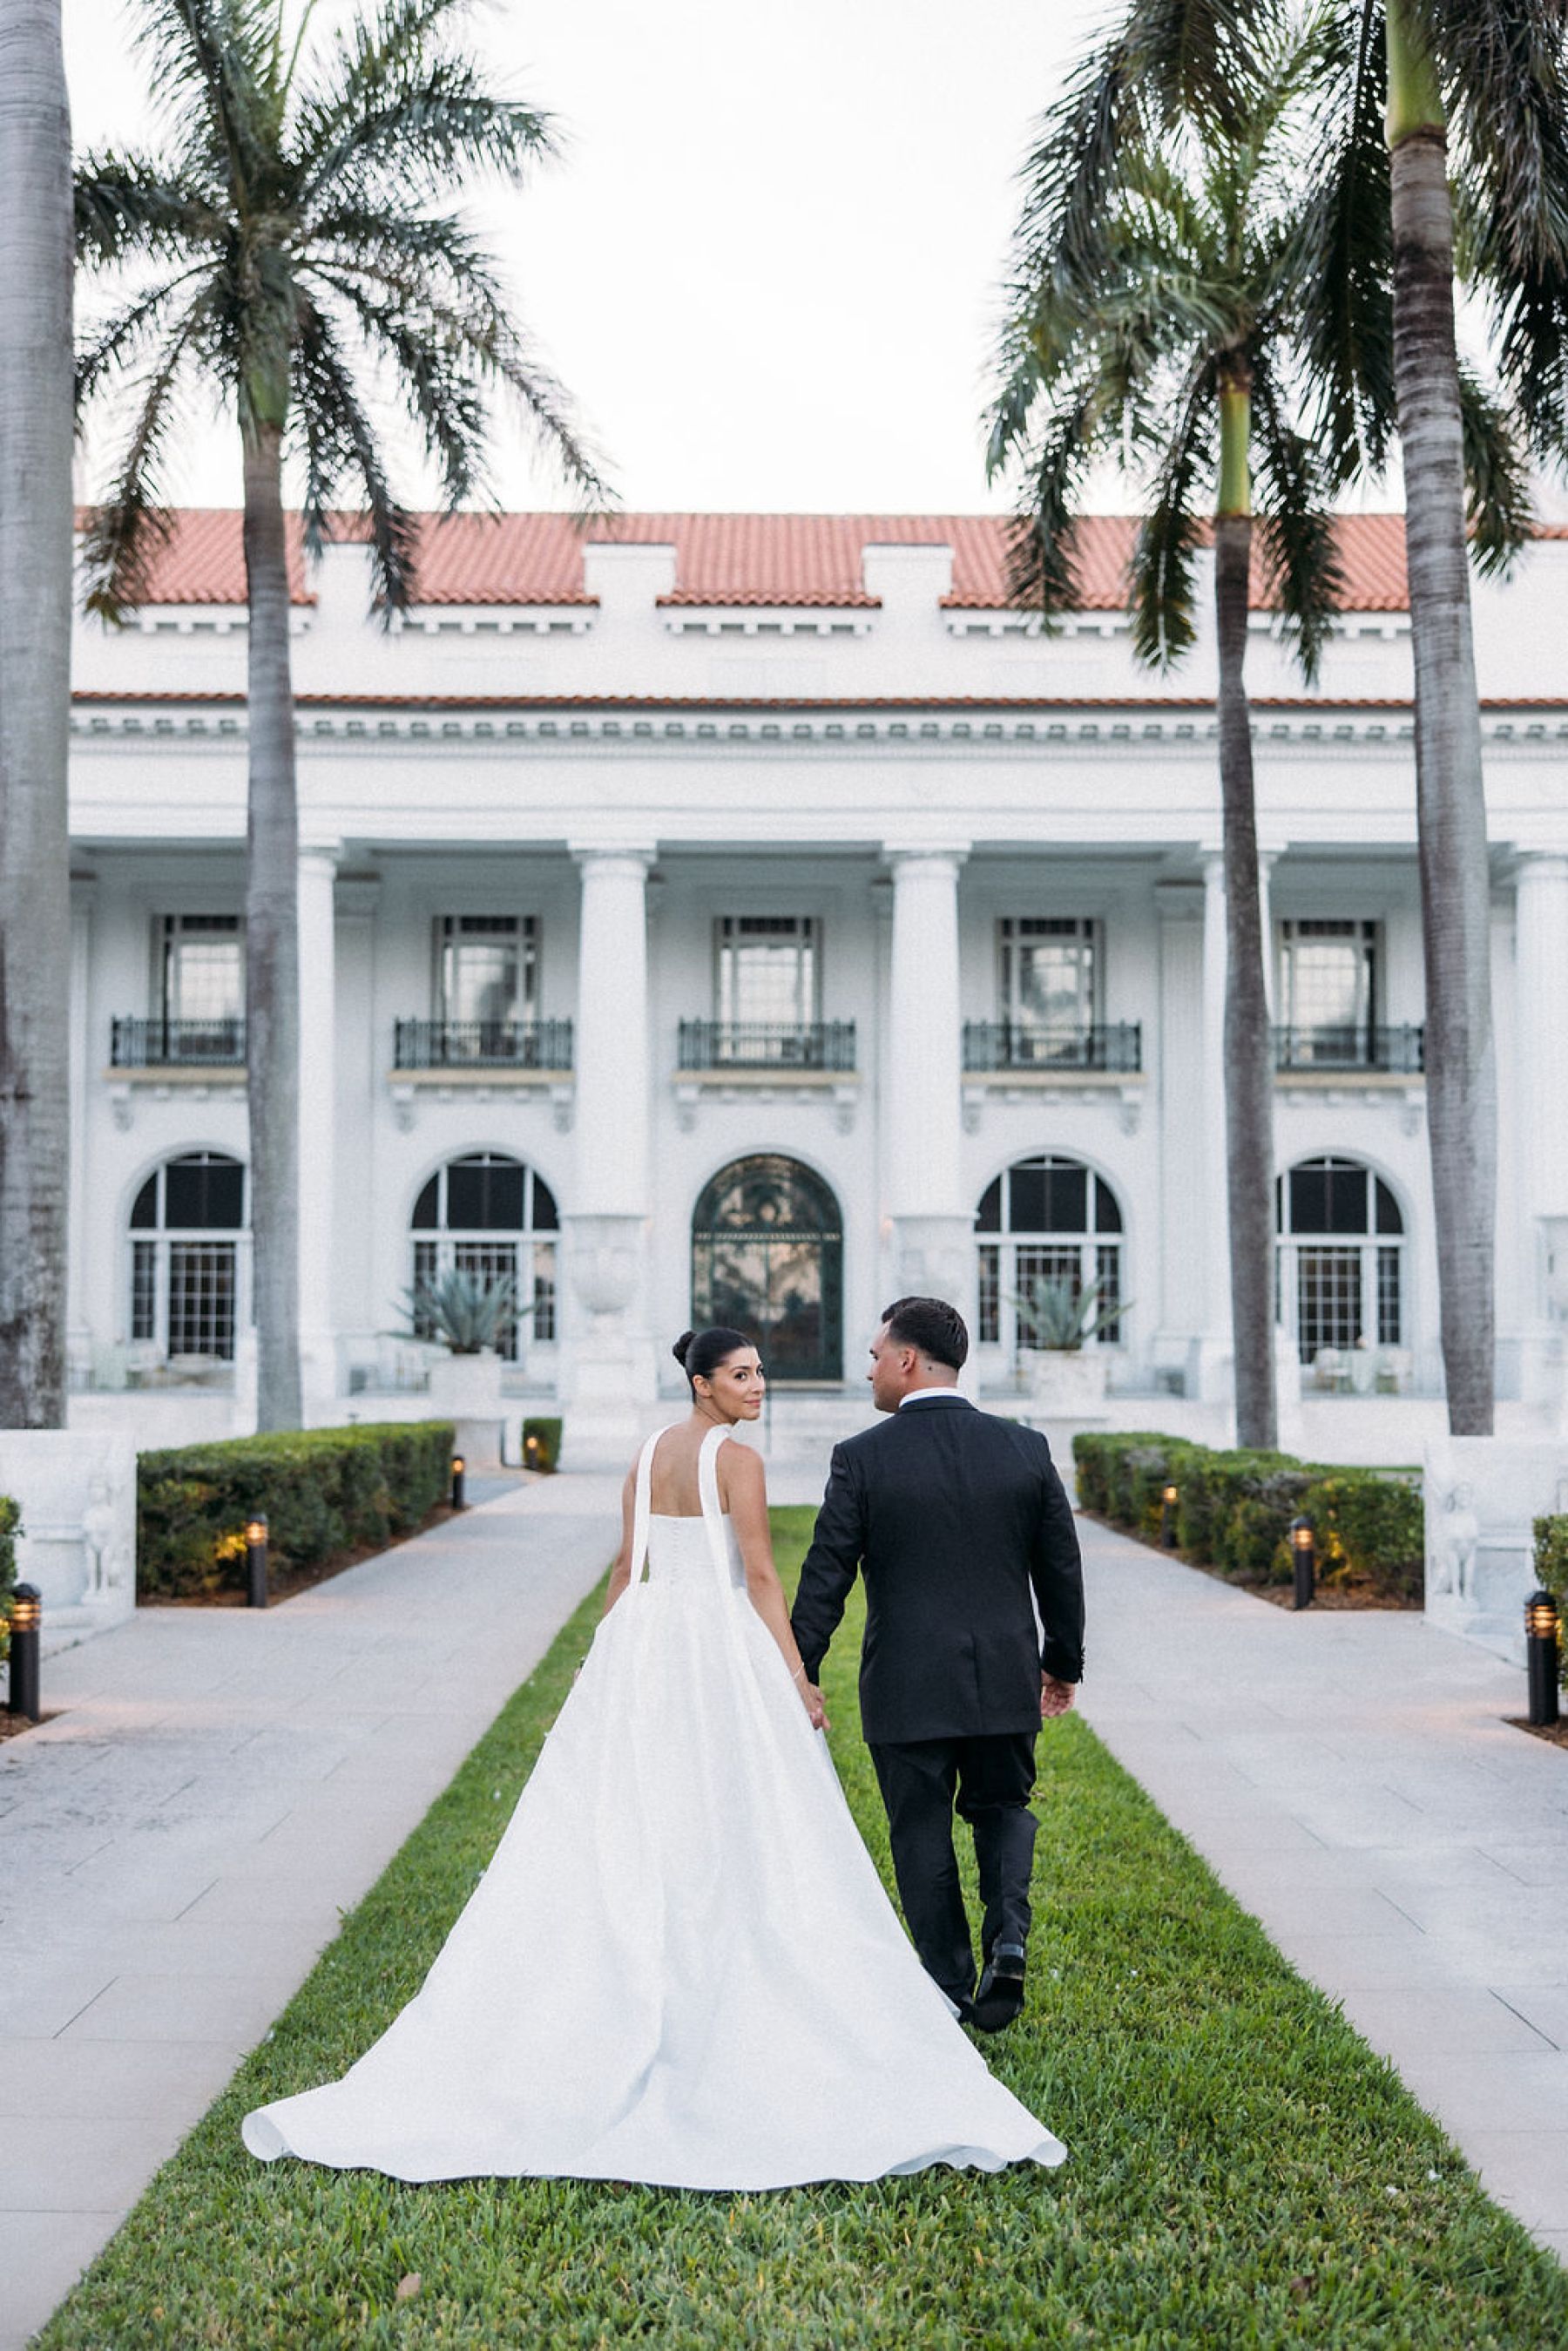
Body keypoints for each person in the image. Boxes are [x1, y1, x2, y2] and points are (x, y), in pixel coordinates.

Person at [241, 1325, 1064, 2188]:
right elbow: (758, 1579)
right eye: (743, 1375)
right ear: (703, 1383)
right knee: (735, 1809)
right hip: (715, 1645)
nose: (758, 1387)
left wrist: (603, 1654)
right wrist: (796, 1676)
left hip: (644, 1640)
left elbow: (626, 1570)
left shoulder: (645, 1453)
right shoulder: (735, 1461)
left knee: (639, 1806)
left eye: (760, 1372)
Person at [791, 1297, 1085, 2030]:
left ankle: (954, 1990)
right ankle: (1008, 1938)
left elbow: (828, 1575)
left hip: (905, 1684)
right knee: (1002, 1809)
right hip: (1004, 1675)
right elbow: (1061, 1571)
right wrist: (1062, 1663)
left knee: (919, 1831)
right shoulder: (1024, 1449)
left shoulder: (862, 1457)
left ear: (907, 1360)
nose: (867, 1372)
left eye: (873, 1355)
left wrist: (797, 1669)